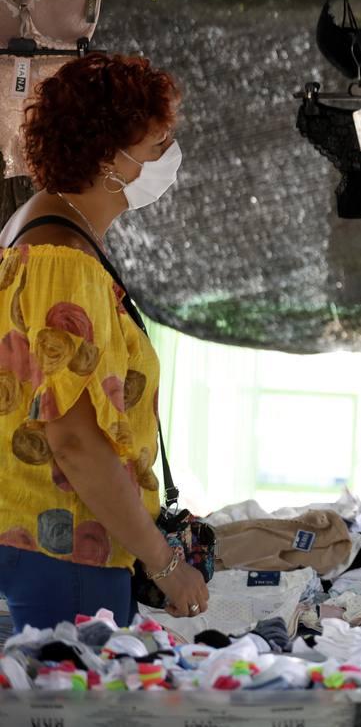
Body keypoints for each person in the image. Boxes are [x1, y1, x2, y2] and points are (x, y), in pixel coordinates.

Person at [0, 53, 208, 629]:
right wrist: (165, 565)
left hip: (42, 541)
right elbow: (74, 442)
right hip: (66, 549)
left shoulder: (37, 234)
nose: (169, 156)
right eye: (158, 143)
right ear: (108, 156)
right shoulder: (63, 262)